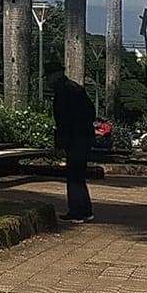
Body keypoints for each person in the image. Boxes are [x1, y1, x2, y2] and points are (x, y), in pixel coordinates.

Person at [49, 68, 96, 223]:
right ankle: (85, 210)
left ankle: (77, 211)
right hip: (84, 137)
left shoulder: (63, 92)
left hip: (74, 138)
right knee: (79, 175)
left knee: (74, 175)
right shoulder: (76, 88)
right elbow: (91, 111)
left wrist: (61, 143)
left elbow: (63, 120)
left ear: (55, 75)